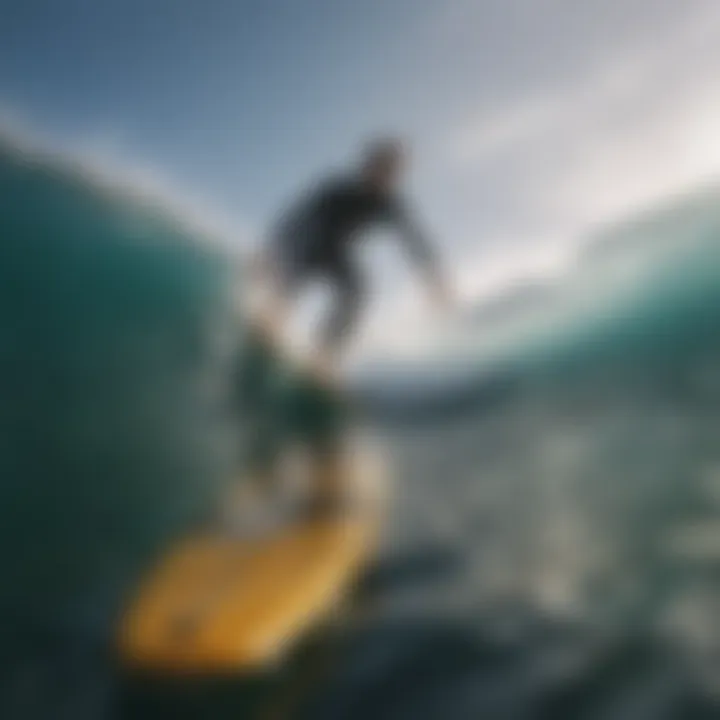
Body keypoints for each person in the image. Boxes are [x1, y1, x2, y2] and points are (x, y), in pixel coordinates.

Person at [252, 138, 451, 377]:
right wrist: (268, 252)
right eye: (379, 166)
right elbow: (297, 216)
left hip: (337, 254)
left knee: (358, 290)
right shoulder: (337, 188)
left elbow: (415, 240)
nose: (383, 175)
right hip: (309, 244)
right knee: (293, 273)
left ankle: (323, 353)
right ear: (367, 164)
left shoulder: (390, 205)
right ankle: (270, 320)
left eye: (391, 171)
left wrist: (433, 277)